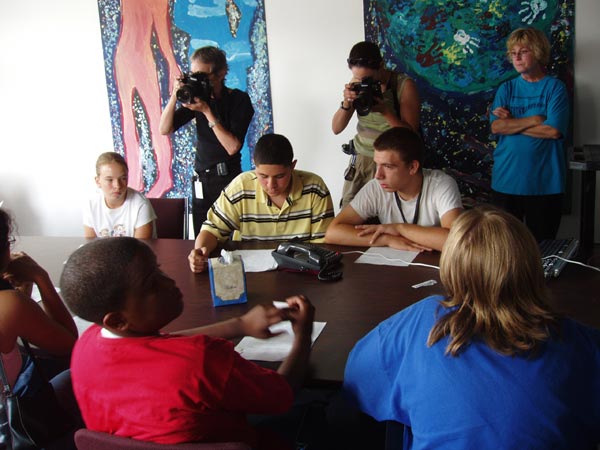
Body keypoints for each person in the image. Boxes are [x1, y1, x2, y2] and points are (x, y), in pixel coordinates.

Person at [343, 206, 600, 449]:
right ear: (532, 266)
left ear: (451, 267)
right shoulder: (581, 343)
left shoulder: (421, 321)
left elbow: (358, 381)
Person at [60, 237, 314, 449]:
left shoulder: (86, 345)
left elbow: (160, 348)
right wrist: (303, 333)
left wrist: (240, 325)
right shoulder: (201, 360)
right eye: (151, 285)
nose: (169, 282)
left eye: (158, 269)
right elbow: (282, 394)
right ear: (117, 321)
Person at [189, 133, 334, 273]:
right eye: (263, 176)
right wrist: (200, 251)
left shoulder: (314, 189)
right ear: (255, 167)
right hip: (251, 275)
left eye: (280, 176)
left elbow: (321, 246)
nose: (271, 185)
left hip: (300, 272)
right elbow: (212, 230)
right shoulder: (241, 187)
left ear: (292, 166)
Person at [0, 208, 80, 444]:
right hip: (11, 427)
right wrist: (40, 277)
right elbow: (67, 344)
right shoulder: (9, 305)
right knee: (76, 373)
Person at [159, 46, 255, 236]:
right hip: (202, 180)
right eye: (193, 74)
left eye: (202, 75)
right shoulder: (197, 99)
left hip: (229, 180)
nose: (197, 80)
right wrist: (175, 95)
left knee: (232, 239)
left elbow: (232, 147)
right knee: (203, 238)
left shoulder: (238, 100)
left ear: (221, 73)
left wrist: (207, 111)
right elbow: (164, 129)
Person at [325, 127, 462, 252]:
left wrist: (399, 228)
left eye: (388, 166)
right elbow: (333, 233)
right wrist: (388, 239)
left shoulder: (441, 185)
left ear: (412, 167)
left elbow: (456, 241)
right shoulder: (376, 187)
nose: (378, 175)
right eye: (377, 165)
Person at [490, 27, 569, 241]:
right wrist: (535, 119)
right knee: (505, 248)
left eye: (523, 51)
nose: (516, 57)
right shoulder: (506, 89)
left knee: (541, 250)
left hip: (543, 183)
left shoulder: (555, 88)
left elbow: (553, 131)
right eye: (512, 52)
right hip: (506, 181)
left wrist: (511, 122)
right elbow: (496, 127)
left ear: (538, 52)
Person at [332, 41, 420, 208]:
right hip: (361, 160)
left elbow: (411, 136)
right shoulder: (357, 84)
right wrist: (347, 102)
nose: (363, 82)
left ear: (381, 65)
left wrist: (385, 111)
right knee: (349, 215)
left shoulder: (403, 85)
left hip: (391, 162)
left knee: (387, 215)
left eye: (367, 79)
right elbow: (336, 128)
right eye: (358, 77)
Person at [113, 0, 179, 197]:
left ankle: (165, 176)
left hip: (140, 60)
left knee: (156, 121)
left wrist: (172, 67)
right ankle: (135, 178)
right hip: (124, 59)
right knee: (129, 123)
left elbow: (163, 36)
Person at [83, 152, 157, 238]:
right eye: (110, 180)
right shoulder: (91, 204)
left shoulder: (141, 204)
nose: (117, 185)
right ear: (98, 181)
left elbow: (140, 248)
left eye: (123, 178)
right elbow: (91, 246)